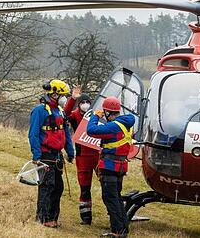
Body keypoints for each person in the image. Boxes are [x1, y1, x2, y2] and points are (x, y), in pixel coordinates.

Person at [85, 97, 135, 238]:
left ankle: (118, 231)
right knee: (116, 198)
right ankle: (122, 229)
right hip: (120, 166)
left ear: (107, 112)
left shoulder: (114, 126)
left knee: (111, 199)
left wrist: (95, 116)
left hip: (110, 166)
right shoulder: (127, 124)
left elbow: (91, 130)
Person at [28, 79, 75, 228]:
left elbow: (66, 132)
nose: (64, 98)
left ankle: (53, 218)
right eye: (62, 95)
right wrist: (36, 155)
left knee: (58, 187)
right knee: (47, 186)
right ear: (54, 94)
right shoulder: (39, 111)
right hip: (45, 154)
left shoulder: (60, 111)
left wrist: (70, 151)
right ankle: (42, 218)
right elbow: (33, 134)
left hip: (57, 155)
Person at [63, 86, 100, 225]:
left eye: (87, 102)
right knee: (85, 187)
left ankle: (113, 212)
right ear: (79, 105)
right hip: (82, 156)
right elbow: (64, 115)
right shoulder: (74, 115)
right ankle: (86, 217)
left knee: (108, 184)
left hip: (97, 154)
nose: (85, 105)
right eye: (82, 103)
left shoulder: (97, 114)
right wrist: (72, 99)